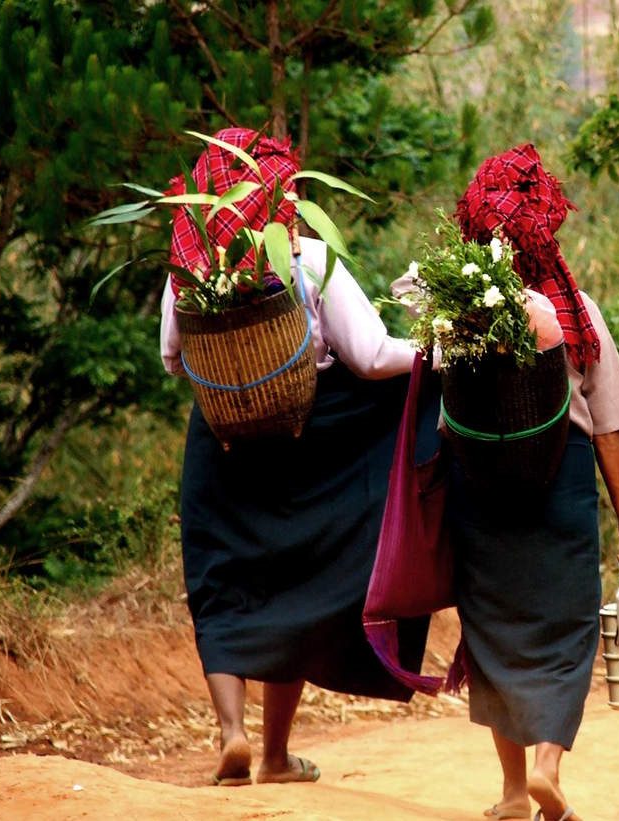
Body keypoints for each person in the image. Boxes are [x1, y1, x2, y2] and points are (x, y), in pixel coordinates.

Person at [160, 128, 426, 786]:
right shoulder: (305, 259)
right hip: (310, 441)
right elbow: (368, 356)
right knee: (299, 587)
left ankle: (233, 733)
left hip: (221, 444)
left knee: (219, 585)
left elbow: (171, 356)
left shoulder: (188, 266)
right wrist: (431, 354)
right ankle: (275, 754)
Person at [448, 144, 619, 821]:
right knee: (565, 630)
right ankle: (546, 767)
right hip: (561, 483)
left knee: (494, 628)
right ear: (547, 233)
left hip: (479, 490)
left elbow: (435, 412)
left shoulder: (458, 315)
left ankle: (511, 791)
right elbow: (612, 422)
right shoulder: (576, 310)